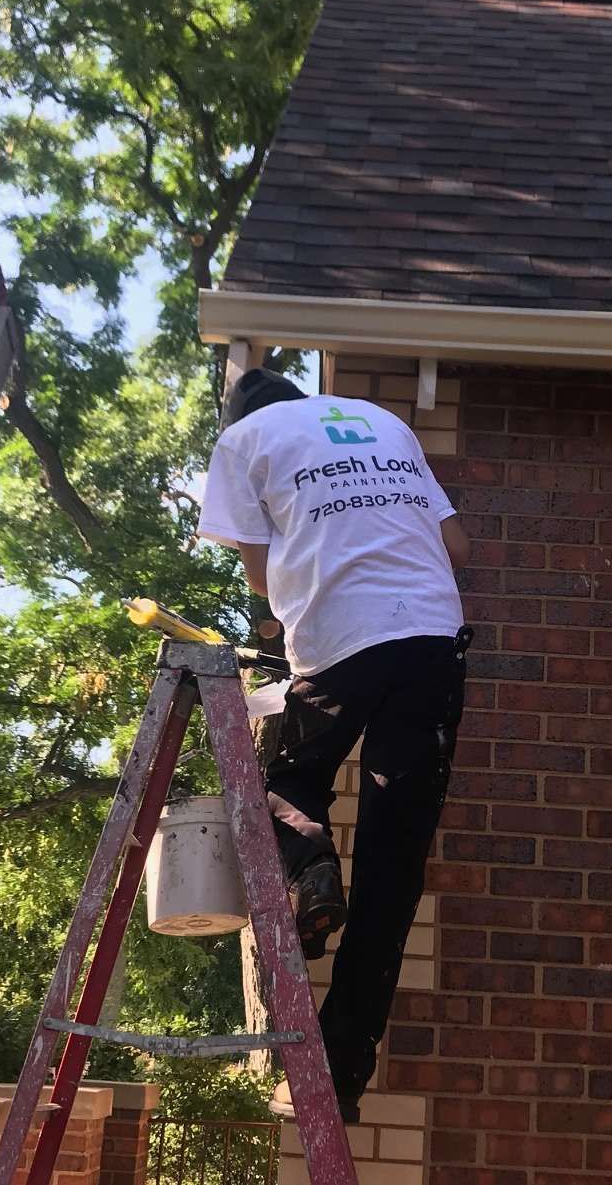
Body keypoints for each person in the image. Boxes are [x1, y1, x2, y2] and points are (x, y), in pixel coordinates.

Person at [197, 366, 471, 1124]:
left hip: (341, 645)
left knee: (277, 786)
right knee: (392, 869)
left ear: (243, 412)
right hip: (432, 647)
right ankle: (339, 1076)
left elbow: (258, 582)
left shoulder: (243, 438)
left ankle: (313, 865)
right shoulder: (384, 423)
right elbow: (455, 542)